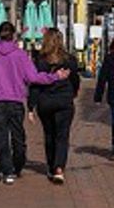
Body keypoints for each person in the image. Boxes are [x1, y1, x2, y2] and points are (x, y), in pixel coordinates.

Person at [0, 21, 69, 184]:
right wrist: (55, 76)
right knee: (18, 138)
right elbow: (33, 77)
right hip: (15, 102)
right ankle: (17, 165)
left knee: (0, 138)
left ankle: (7, 171)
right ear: (14, 35)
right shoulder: (20, 55)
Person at [27, 29, 80, 183]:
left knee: (49, 135)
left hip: (46, 102)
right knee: (62, 136)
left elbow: (34, 84)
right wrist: (74, 92)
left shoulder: (40, 60)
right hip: (64, 101)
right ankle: (59, 168)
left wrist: (31, 106)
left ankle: (51, 166)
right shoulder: (69, 59)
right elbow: (75, 79)